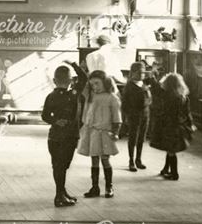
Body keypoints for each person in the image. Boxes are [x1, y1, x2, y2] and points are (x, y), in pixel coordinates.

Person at [41, 61, 87, 207]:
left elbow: (45, 116)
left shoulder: (51, 96)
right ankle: (59, 196)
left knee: (58, 166)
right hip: (70, 136)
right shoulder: (73, 94)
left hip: (54, 136)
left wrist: (55, 121)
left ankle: (61, 192)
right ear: (70, 80)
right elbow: (84, 78)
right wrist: (74, 64)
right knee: (63, 166)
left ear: (54, 81)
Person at [77, 70, 122, 199]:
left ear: (105, 82)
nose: (94, 87)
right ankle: (95, 187)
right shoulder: (90, 96)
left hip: (105, 133)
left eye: (97, 83)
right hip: (92, 133)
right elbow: (83, 80)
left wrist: (116, 132)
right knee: (94, 160)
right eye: (92, 85)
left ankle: (109, 186)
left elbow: (117, 118)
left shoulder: (112, 98)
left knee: (105, 160)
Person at [149, 73, 195, 181]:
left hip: (169, 126)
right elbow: (188, 113)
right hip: (179, 126)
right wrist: (191, 124)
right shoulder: (184, 97)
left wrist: (152, 78)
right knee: (170, 149)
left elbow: (156, 89)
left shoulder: (168, 96)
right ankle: (166, 169)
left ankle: (174, 174)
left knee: (170, 151)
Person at [122, 62, 151, 172]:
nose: (142, 75)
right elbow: (124, 104)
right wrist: (126, 117)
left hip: (145, 115)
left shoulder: (143, 84)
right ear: (133, 73)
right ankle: (131, 161)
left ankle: (138, 159)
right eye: (139, 72)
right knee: (133, 139)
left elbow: (149, 100)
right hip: (134, 116)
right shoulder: (129, 86)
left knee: (141, 138)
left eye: (143, 72)